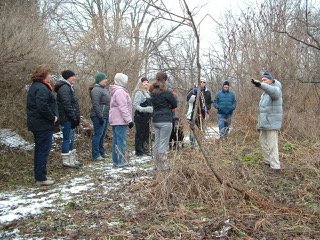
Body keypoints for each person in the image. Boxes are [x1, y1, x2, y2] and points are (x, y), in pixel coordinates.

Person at [27, 65, 58, 186]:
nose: (50, 76)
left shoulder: (37, 86)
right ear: (43, 75)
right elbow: (42, 106)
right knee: (42, 151)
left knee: (41, 150)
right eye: (49, 74)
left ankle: (41, 175)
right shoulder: (41, 88)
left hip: (39, 124)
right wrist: (52, 117)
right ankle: (41, 178)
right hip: (42, 124)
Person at [251, 71, 283, 172]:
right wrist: (259, 124)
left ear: (271, 80)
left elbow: (273, 92)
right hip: (264, 123)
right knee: (263, 142)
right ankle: (268, 160)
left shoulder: (276, 89)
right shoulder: (264, 93)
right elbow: (262, 110)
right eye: (262, 80)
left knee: (272, 145)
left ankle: (275, 166)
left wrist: (260, 85)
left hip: (272, 123)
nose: (263, 81)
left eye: (265, 80)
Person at [54, 70, 82, 168]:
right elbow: (67, 105)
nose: (75, 78)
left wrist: (76, 118)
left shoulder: (69, 87)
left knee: (71, 139)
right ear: (67, 77)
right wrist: (73, 118)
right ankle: (66, 161)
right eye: (73, 76)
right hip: (67, 119)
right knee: (67, 139)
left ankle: (72, 160)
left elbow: (73, 104)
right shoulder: (64, 88)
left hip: (70, 118)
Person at [150, 71, 177, 171]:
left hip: (156, 120)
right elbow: (175, 104)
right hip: (166, 120)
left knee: (157, 143)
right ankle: (164, 166)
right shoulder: (167, 92)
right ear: (165, 80)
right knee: (163, 144)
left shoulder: (152, 92)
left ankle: (156, 165)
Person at [109, 73, 134, 167]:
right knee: (120, 141)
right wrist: (129, 120)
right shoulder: (120, 92)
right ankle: (121, 162)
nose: (126, 82)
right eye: (125, 80)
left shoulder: (117, 91)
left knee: (116, 141)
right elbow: (123, 107)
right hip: (120, 120)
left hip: (116, 120)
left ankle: (116, 161)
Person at [90, 72, 110, 161]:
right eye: (104, 79)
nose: (106, 80)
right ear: (99, 80)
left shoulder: (104, 89)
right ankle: (96, 154)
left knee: (102, 135)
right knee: (98, 134)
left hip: (105, 115)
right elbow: (96, 104)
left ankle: (101, 152)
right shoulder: (96, 90)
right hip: (98, 116)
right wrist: (100, 116)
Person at [185, 77, 212, 144]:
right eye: (201, 82)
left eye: (204, 82)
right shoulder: (193, 90)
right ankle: (192, 144)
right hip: (193, 113)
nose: (202, 83)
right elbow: (188, 100)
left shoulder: (207, 92)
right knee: (192, 130)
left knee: (202, 129)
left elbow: (209, 102)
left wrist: (207, 110)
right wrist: (194, 94)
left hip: (202, 114)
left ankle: (201, 144)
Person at [133, 77, 153, 156]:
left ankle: (145, 149)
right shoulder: (139, 92)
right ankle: (139, 151)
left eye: (147, 82)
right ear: (140, 83)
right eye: (144, 82)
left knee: (146, 134)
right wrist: (144, 109)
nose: (146, 83)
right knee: (140, 134)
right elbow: (135, 104)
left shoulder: (148, 93)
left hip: (147, 117)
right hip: (140, 116)